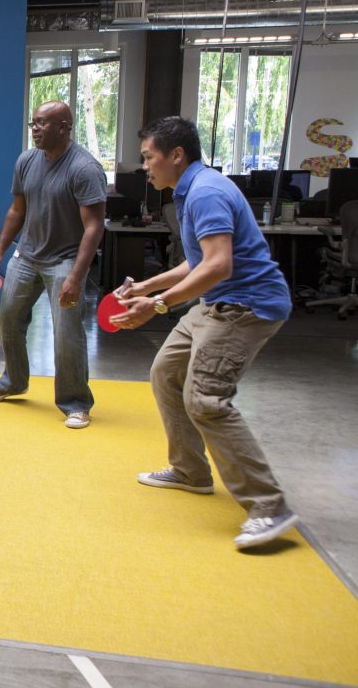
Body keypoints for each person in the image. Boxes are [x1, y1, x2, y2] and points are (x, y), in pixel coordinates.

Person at [111, 116, 297, 550]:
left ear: (177, 155)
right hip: (216, 303)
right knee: (166, 372)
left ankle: (269, 506)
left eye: (149, 157)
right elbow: (198, 261)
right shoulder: (191, 189)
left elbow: (218, 266)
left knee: (206, 399)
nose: (144, 167)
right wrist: (145, 287)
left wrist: (158, 305)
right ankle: (190, 471)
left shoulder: (206, 193)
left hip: (246, 307)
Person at [0, 100, 107, 428]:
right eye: (33, 123)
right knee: (8, 320)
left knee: (66, 332)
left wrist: (76, 276)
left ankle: (76, 402)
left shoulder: (84, 168)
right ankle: (13, 382)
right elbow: (17, 210)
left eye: (42, 123)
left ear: (63, 127)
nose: (35, 129)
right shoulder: (26, 161)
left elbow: (94, 227)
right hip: (26, 256)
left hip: (65, 260)